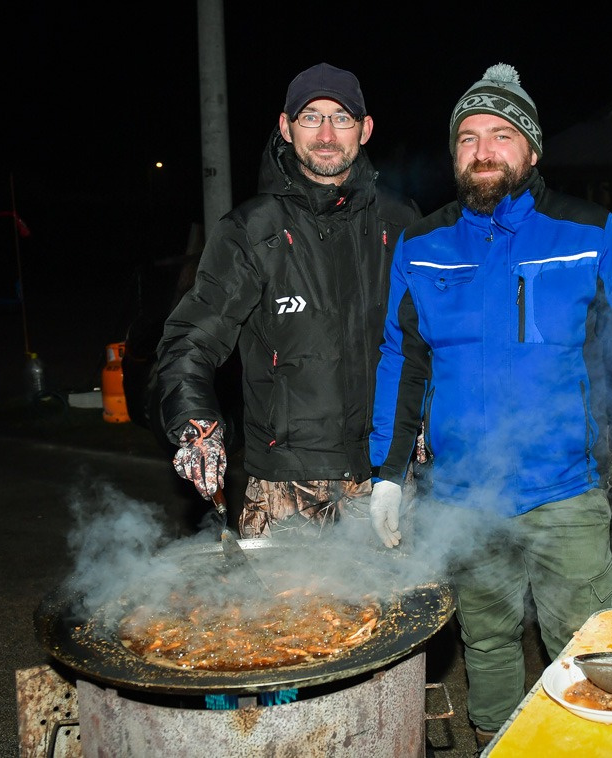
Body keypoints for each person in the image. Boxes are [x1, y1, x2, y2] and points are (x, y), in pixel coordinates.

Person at [366, 63, 612, 745]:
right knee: (489, 643)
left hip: (563, 491)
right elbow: (402, 359)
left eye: (501, 135)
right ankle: (497, 743)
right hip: (464, 496)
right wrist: (387, 472)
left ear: (531, 150)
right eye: (468, 137)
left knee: (590, 648)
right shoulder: (422, 246)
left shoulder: (589, 230)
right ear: (454, 155)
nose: (483, 150)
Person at [155, 63, 422, 537]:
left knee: (396, 612)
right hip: (288, 488)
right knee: (289, 613)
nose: (325, 133)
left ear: (365, 129)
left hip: (388, 476)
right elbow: (190, 340)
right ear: (285, 126)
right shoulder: (251, 230)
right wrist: (195, 420)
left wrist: (426, 418)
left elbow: (426, 337)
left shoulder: (400, 222)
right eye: (309, 117)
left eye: (341, 118)